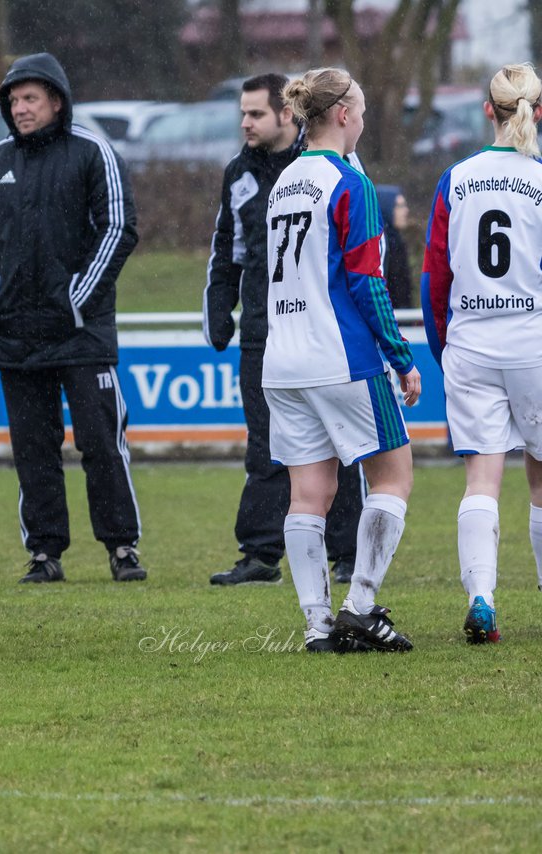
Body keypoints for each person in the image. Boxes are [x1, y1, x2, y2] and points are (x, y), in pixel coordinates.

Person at [0, 52, 143, 584]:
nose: (20, 109)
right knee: (33, 450)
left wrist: (76, 298)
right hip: (17, 333)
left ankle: (122, 548)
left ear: (56, 101)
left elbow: (119, 229)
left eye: (30, 99)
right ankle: (44, 554)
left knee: (100, 441)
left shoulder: (92, 151)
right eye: (14, 100)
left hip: (82, 331)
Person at [264, 69, 420, 653]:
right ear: (345, 117)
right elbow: (367, 282)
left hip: (283, 361)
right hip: (341, 358)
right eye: (361, 110)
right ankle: (358, 605)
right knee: (394, 476)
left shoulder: (284, 182)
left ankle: (317, 626)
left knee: (308, 495)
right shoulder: (351, 185)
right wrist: (400, 357)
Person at [204, 73, 366, 587]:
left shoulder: (326, 165)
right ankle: (260, 553)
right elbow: (226, 248)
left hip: (321, 331)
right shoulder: (238, 172)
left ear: (287, 115)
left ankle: (348, 553)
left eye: (255, 114)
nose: (245, 123)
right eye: (242, 114)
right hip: (262, 332)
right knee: (265, 444)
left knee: (341, 446)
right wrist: (218, 305)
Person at [421, 62, 542, 645]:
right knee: (540, 483)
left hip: (470, 341)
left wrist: (443, 346)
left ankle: (482, 599)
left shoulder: (456, 178)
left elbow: (434, 275)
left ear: (487, 111)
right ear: (537, 112)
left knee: (481, 481)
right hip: (532, 341)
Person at [376, 185, 413, 309]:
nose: (406, 211)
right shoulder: (383, 245)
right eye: (400, 206)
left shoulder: (397, 243)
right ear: (387, 208)